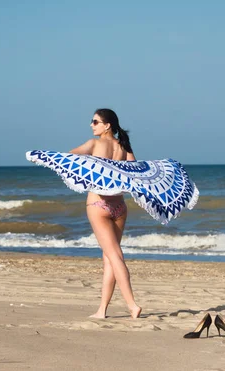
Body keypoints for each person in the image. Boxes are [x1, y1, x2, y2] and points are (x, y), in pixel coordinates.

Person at [69, 108, 142, 319]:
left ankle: (131, 305)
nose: (91, 125)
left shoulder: (93, 144)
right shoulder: (123, 147)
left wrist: (91, 169)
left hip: (98, 205)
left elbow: (69, 157)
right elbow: (135, 172)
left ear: (107, 125)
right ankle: (102, 310)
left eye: (95, 122)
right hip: (120, 207)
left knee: (114, 257)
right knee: (109, 258)